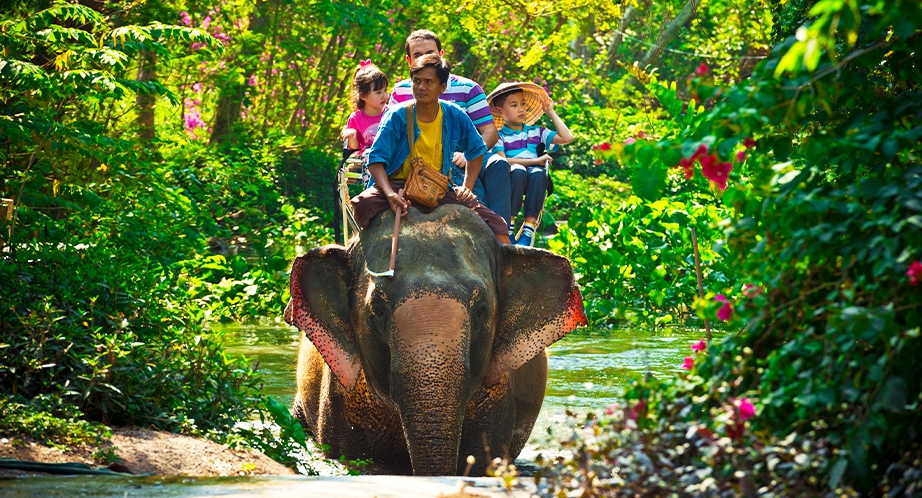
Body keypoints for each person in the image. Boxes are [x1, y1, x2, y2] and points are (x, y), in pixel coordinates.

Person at [351, 54, 510, 243]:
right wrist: (390, 194)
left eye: (428, 82)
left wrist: (467, 187)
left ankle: (507, 268)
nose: (420, 87)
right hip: (398, 185)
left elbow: (476, 150)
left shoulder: (454, 114)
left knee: (497, 224)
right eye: (416, 81)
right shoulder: (397, 115)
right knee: (362, 204)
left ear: (442, 87)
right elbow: (376, 160)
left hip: (438, 188)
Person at [389, 30, 517, 235]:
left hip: (465, 151)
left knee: (498, 164)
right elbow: (389, 134)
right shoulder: (401, 91)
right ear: (408, 60)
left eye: (430, 52)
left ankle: (500, 235)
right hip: (418, 155)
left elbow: (490, 133)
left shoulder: (468, 88)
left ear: (441, 53)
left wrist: (467, 155)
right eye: (417, 55)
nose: (425, 59)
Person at [488, 82, 573, 246]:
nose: (521, 109)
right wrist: (536, 161)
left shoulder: (537, 132)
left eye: (523, 104)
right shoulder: (498, 136)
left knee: (539, 173)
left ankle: (528, 229)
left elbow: (567, 138)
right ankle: (509, 227)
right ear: (500, 111)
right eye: (514, 105)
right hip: (513, 178)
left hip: (534, 179)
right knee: (519, 170)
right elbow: (502, 159)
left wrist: (551, 112)